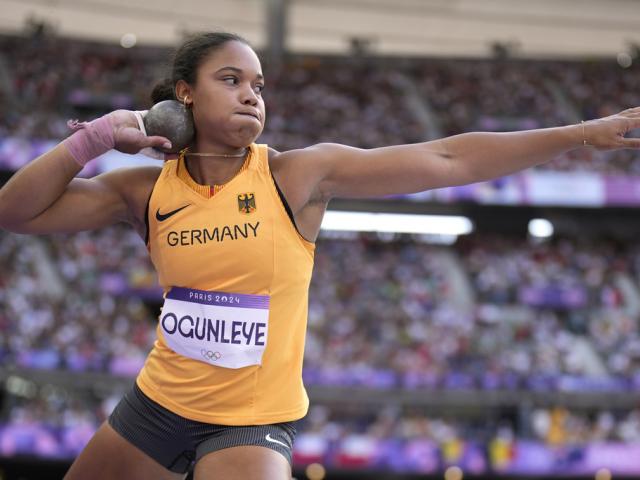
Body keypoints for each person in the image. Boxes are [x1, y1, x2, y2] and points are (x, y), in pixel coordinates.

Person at [0, 31, 639, 480]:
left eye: (258, 83)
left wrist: (579, 135)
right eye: (231, 80)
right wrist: (92, 141)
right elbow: (15, 212)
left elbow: (450, 158)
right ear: (182, 95)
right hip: (157, 404)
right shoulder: (142, 190)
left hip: (252, 423)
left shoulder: (297, 176)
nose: (252, 93)